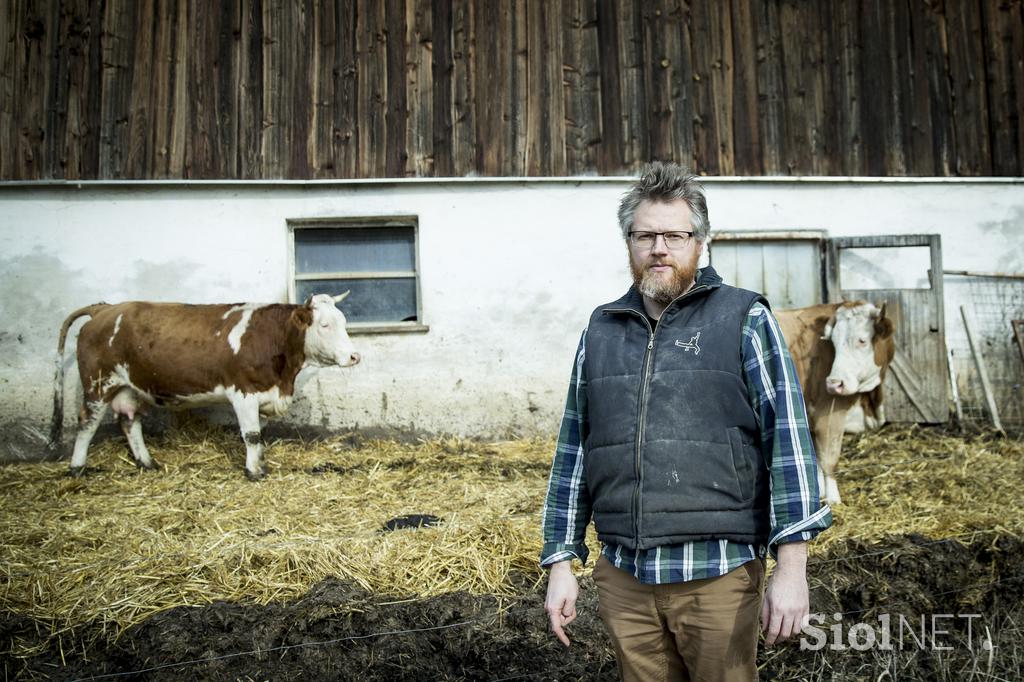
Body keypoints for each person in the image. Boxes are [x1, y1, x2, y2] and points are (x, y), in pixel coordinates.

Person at [540, 161, 832, 681]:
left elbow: (787, 443)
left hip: (716, 575)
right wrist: (561, 561)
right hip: (625, 578)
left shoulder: (744, 319)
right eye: (645, 235)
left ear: (700, 241)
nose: (659, 248)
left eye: (675, 235)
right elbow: (575, 452)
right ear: (627, 242)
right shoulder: (601, 330)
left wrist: (792, 572)